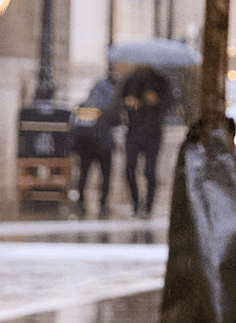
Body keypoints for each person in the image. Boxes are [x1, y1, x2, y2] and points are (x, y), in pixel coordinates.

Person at [70, 72, 121, 218]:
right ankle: (103, 204)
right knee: (105, 175)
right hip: (104, 146)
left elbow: (76, 126)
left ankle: (81, 202)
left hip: (86, 147)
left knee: (84, 174)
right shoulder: (109, 106)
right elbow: (117, 121)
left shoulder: (85, 106)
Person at [120, 66, 169, 217]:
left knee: (150, 171)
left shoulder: (161, 81)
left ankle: (148, 206)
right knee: (129, 168)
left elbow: (170, 105)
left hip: (153, 132)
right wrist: (129, 104)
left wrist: (156, 101)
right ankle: (136, 203)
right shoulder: (130, 80)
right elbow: (120, 101)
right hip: (134, 130)